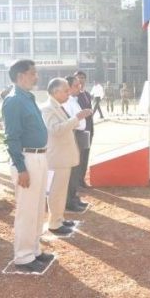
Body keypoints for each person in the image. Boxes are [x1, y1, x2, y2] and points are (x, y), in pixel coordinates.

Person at [2, 59, 52, 273]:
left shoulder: (27, 97)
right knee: (27, 210)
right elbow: (12, 137)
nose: (36, 76)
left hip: (40, 157)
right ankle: (23, 256)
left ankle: (34, 249)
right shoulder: (13, 100)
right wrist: (21, 168)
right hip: (27, 160)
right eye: (33, 73)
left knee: (38, 207)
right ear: (21, 76)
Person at [41, 78, 91, 234]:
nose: (68, 93)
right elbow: (55, 130)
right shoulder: (48, 108)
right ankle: (54, 223)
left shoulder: (58, 106)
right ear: (55, 92)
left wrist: (76, 119)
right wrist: (77, 118)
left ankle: (59, 218)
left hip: (63, 157)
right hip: (57, 158)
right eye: (65, 90)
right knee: (56, 191)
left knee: (61, 191)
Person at [63, 75, 92, 212]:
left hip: (78, 135)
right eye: (76, 85)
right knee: (71, 171)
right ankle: (69, 201)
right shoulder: (65, 102)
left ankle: (74, 198)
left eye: (79, 85)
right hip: (72, 136)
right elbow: (68, 122)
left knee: (76, 170)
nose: (79, 87)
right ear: (68, 87)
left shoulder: (74, 100)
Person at [75, 71, 93, 189]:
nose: (81, 80)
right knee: (78, 156)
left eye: (83, 78)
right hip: (79, 130)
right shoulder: (73, 95)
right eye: (78, 78)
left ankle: (81, 180)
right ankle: (76, 182)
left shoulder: (86, 93)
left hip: (89, 129)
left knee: (85, 155)